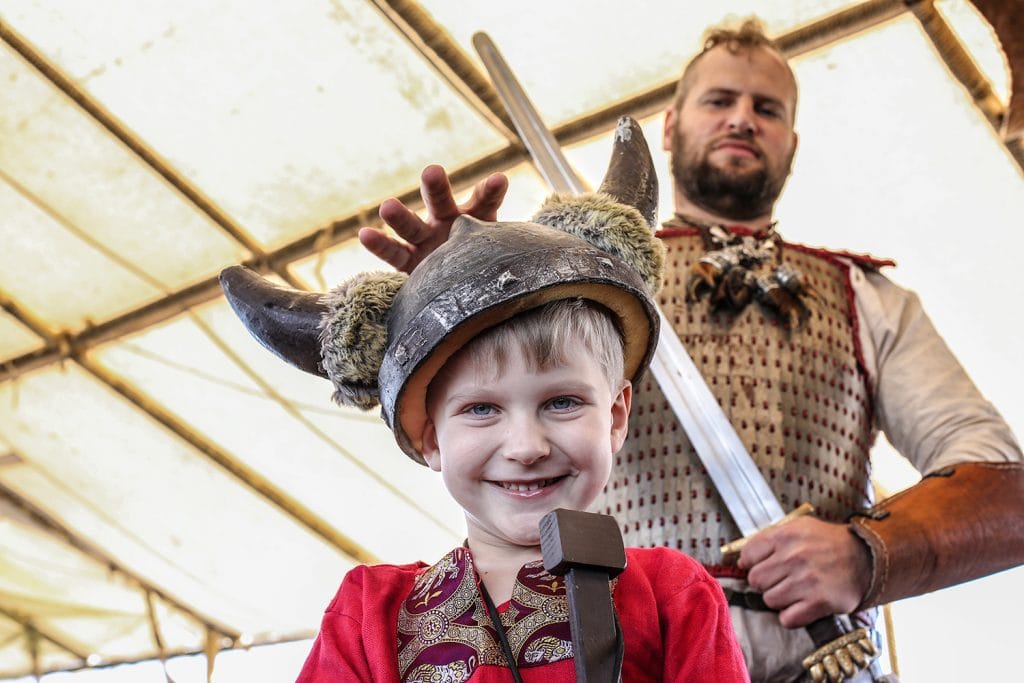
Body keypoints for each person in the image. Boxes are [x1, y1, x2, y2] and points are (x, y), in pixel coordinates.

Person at [357, 18, 1024, 682]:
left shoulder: (869, 297)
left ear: (792, 142)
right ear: (671, 126)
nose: (742, 119)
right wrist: (458, 299)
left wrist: (867, 551)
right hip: (617, 650)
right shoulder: (569, 283)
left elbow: (1002, 488)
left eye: (766, 108)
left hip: (823, 661)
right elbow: (479, 424)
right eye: (719, 101)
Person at [220, 120, 749, 681]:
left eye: (563, 402)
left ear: (616, 415)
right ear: (430, 437)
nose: (525, 446)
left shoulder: (674, 596)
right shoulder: (369, 615)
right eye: (481, 409)